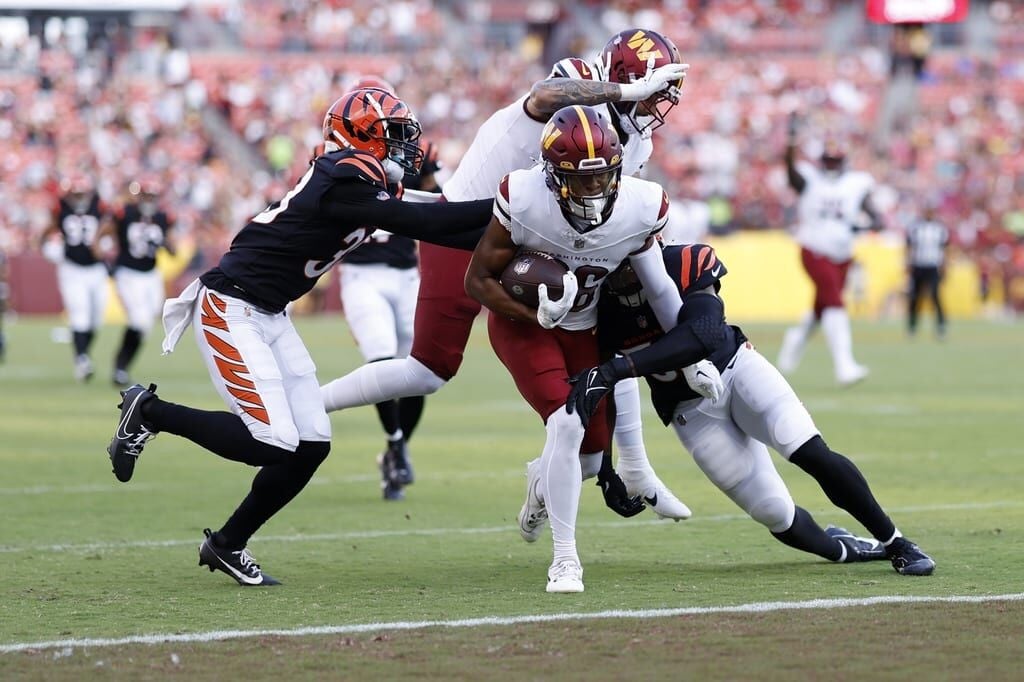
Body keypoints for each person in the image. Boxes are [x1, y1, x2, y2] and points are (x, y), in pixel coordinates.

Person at [104, 88, 494, 586]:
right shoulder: (345, 173)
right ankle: (150, 412)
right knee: (270, 440)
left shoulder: (358, 178)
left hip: (268, 312)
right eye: (393, 137)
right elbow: (422, 222)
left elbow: (437, 218)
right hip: (231, 305)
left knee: (311, 443)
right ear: (361, 136)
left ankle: (226, 544)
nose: (404, 149)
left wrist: (518, 223)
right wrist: (504, 206)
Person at [321, 30, 700, 518]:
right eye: (649, 94)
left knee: (613, 328)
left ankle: (636, 468)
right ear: (626, 81)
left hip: (536, 235)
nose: (653, 109)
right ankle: (315, 402)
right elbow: (545, 96)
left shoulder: (636, 137)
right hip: (467, 227)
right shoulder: (584, 83)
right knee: (428, 371)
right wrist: (626, 93)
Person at [565, 242, 936, 577]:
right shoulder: (601, 305)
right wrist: (608, 467)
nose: (624, 268)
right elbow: (605, 390)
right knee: (773, 511)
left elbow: (705, 332)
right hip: (690, 410)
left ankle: (896, 541)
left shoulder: (685, 262)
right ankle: (843, 550)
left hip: (737, 370)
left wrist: (620, 367)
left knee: (805, 447)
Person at [464, 104, 718, 594]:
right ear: (554, 176)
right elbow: (477, 280)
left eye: (604, 176)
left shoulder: (640, 205)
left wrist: (692, 355)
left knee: (589, 456)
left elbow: (662, 290)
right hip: (525, 326)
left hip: (584, 329)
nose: (595, 189)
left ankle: (541, 485)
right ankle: (565, 560)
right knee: (565, 421)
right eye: (581, 181)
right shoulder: (523, 197)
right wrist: (530, 313)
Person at [337, 75, 443, 501]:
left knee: (419, 372)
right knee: (382, 360)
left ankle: (396, 445)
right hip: (362, 272)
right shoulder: (335, 160)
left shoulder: (416, 154)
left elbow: (439, 204)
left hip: (405, 273)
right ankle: (397, 444)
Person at [776, 120, 882, 386]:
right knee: (835, 302)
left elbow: (877, 217)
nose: (831, 166)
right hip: (814, 249)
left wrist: (863, 225)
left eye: (836, 161)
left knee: (823, 306)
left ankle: (795, 340)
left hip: (842, 254)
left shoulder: (857, 184)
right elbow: (790, 172)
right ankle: (844, 366)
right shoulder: (809, 179)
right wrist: (790, 143)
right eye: (828, 161)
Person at [95, 176, 177, 387]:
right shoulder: (126, 213)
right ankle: (120, 367)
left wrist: (165, 242)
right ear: (139, 196)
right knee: (139, 321)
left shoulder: (161, 217)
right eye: (146, 195)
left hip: (151, 274)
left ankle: (122, 366)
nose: (149, 200)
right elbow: (104, 231)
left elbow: (172, 249)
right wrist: (100, 250)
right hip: (128, 273)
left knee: (147, 324)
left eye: (152, 196)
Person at [40, 173, 110, 382]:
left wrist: (102, 244)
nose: (79, 198)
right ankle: (82, 360)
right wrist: (45, 244)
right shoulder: (60, 208)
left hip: (96, 268)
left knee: (96, 318)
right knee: (79, 312)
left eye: (82, 193)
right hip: (71, 267)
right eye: (75, 193)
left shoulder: (100, 206)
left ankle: (83, 354)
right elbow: (49, 228)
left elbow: (109, 227)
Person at [905, 201, 949, 338]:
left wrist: (944, 265)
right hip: (918, 265)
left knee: (935, 295)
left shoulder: (940, 228)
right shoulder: (915, 227)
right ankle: (912, 326)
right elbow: (909, 247)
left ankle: (940, 326)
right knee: (915, 297)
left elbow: (945, 248)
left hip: (933, 265)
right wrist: (908, 264)